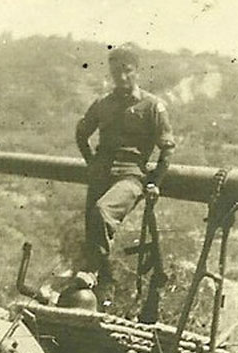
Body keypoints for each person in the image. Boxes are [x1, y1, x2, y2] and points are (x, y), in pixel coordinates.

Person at [75, 46, 176, 301]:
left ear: (136, 71)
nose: (120, 77)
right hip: (101, 174)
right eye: (115, 72)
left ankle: (91, 271)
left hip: (131, 177)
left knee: (102, 212)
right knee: (92, 233)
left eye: (126, 71)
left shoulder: (152, 106)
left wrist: (155, 183)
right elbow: (81, 133)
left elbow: (167, 148)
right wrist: (92, 163)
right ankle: (100, 293)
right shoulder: (103, 104)